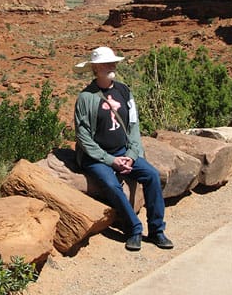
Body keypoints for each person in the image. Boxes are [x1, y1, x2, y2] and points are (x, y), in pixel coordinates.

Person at [74, 46, 173, 251]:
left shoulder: (124, 91)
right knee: (111, 184)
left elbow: (134, 125)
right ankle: (134, 229)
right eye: (106, 63)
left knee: (152, 176)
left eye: (113, 62)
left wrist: (130, 154)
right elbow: (83, 137)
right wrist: (111, 161)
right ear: (95, 68)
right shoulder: (86, 98)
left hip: (123, 151)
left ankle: (157, 231)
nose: (112, 66)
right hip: (97, 157)